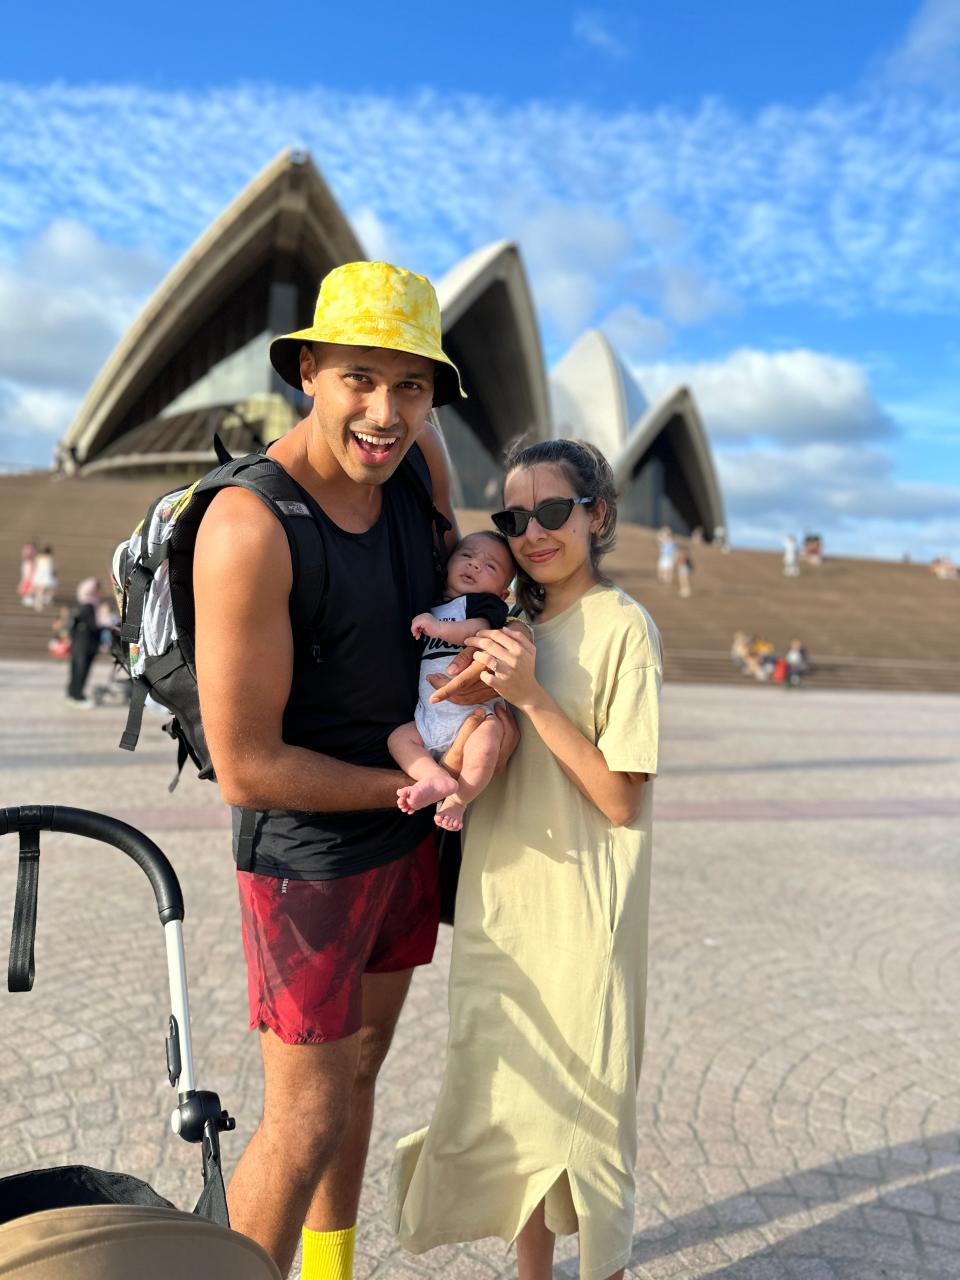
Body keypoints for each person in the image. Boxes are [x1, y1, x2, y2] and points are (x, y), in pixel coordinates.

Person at [192, 260, 516, 1280]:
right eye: (360, 379)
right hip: (308, 853)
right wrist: (421, 785)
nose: (386, 411)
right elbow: (246, 768)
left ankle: (328, 1270)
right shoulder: (252, 525)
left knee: (365, 1068)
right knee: (304, 1117)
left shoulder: (420, 468)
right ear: (309, 373)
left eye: (411, 384)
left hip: (404, 829)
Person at [391, 438, 662, 1280]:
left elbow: (620, 799)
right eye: (517, 516)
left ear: (598, 515)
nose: (534, 532)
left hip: (584, 913)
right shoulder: (508, 625)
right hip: (501, 900)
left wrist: (530, 695)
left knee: (587, 1120)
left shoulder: (622, 627)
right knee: (516, 1105)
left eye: (555, 511)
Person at [389, 531, 517, 832]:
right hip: (429, 716)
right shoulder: (430, 603)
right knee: (399, 739)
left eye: (490, 566)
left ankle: (459, 800)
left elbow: (476, 630)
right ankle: (433, 776)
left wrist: (438, 628)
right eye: (467, 556)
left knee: (486, 745)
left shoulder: (482, 605)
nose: (474, 565)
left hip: (473, 715)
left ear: (502, 593)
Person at [66, 578, 102, 706]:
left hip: (78, 644)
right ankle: (78, 696)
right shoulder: (90, 606)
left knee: (75, 669)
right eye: (97, 590)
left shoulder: (81, 605)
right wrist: (106, 624)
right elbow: (94, 625)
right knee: (82, 670)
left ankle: (72, 694)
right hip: (87, 644)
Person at [32, 545, 57, 611]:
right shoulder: (50, 558)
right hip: (47, 577)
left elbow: (35, 566)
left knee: (40, 592)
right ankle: (47, 601)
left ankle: (38, 605)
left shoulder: (38, 558)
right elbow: (53, 568)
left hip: (39, 576)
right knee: (49, 590)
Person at [17, 542, 36, 607]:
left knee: (29, 586)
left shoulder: (30, 562)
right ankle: (27, 598)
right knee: (27, 585)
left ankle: (28, 598)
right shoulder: (27, 563)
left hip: (30, 575)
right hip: (28, 575)